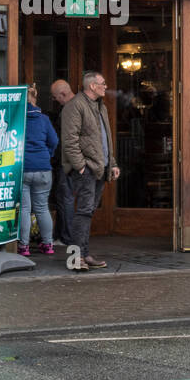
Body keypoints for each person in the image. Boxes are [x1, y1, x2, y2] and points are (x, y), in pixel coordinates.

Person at [61, 70, 120, 270]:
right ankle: (75, 259)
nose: (105, 86)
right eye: (102, 83)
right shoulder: (75, 106)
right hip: (86, 169)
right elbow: (70, 141)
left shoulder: (100, 107)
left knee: (88, 212)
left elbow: (104, 140)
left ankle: (84, 255)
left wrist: (112, 164)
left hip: (99, 168)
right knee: (84, 212)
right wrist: (80, 167)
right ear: (92, 86)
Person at [19, 85, 59, 256]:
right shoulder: (44, 119)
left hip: (23, 168)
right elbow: (54, 140)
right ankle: (48, 244)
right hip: (43, 168)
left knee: (25, 210)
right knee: (42, 208)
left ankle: (23, 246)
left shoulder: (18, 119)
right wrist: (47, 155)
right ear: (35, 99)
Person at [47, 79, 75, 243]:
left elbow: (66, 140)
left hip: (67, 162)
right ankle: (60, 235)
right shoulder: (77, 106)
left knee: (65, 198)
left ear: (63, 94)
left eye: (55, 97)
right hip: (67, 161)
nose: (55, 100)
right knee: (62, 197)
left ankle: (66, 237)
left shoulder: (69, 110)